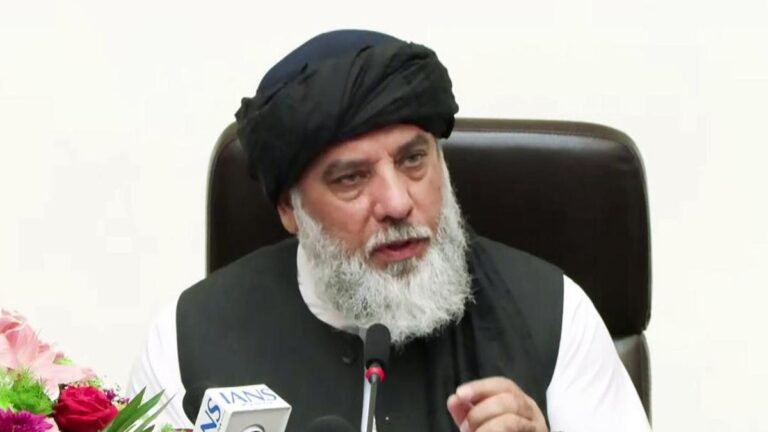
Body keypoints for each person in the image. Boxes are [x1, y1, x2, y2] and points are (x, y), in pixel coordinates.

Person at [128, 29, 651, 432]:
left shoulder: (554, 315)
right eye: (351, 179)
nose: (398, 203)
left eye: (413, 160)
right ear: (290, 209)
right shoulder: (187, 341)